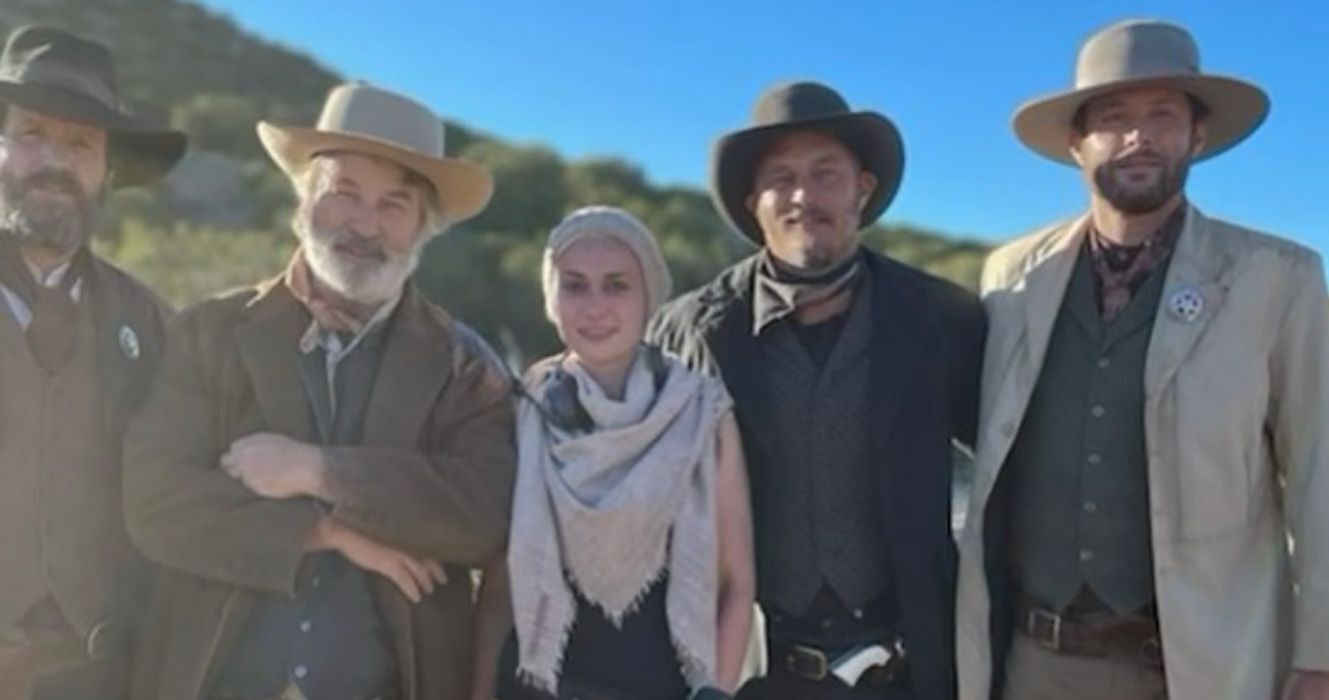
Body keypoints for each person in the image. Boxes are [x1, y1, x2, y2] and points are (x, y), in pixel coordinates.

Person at [955, 18, 1329, 700]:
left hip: (1204, 665)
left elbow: (1325, 473)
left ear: (1196, 136)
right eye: (1114, 118)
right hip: (1035, 662)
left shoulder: (1276, 277)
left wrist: (1326, 659)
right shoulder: (1009, 275)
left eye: (1162, 116)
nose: (1138, 136)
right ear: (1076, 143)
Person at [122, 82, 517, 700]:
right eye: (344, 194)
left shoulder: (465, 364)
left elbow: (484, 515)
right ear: (304, 201)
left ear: (422, 228)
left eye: (393, 204)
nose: (364, 224)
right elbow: (154, 502)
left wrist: (321, 471)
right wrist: (325, 532)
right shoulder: (211, 331)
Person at [650, 81, 986, 699]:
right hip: (752, 670)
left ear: (863, 187)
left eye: (825, 173)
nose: (804, 196)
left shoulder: (943, 319)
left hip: (909, 672)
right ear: (754, 202)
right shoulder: (687, 333)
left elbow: (1012, 464)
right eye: (781, 178)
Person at [470, 205, 755, 700]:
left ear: (649, 295)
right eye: (574, 285)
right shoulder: (523, 405)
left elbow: (737, 583)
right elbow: (499, 585)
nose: (594, 305)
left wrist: (717, 692)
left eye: (617, 284)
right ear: (551, 299)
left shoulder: (702, 412)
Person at [0, 25, 186, 700]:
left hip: (98, 673)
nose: (55, 160)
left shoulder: (153, 324)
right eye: (32, 134)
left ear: (108, 170)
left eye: (81, 143)